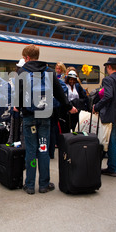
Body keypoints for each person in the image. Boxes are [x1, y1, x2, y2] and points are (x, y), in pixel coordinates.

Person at [15, 45, 77, 194]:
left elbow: (18, 96)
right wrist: (69, 107)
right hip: (45, 116)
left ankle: (29, 185)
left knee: (30, 150)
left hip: (29, 117)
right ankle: (44, 184)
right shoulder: (49, 71)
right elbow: (59, 93)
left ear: (27, 58)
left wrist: (17, 107)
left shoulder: (22, 72)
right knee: (43, 149)